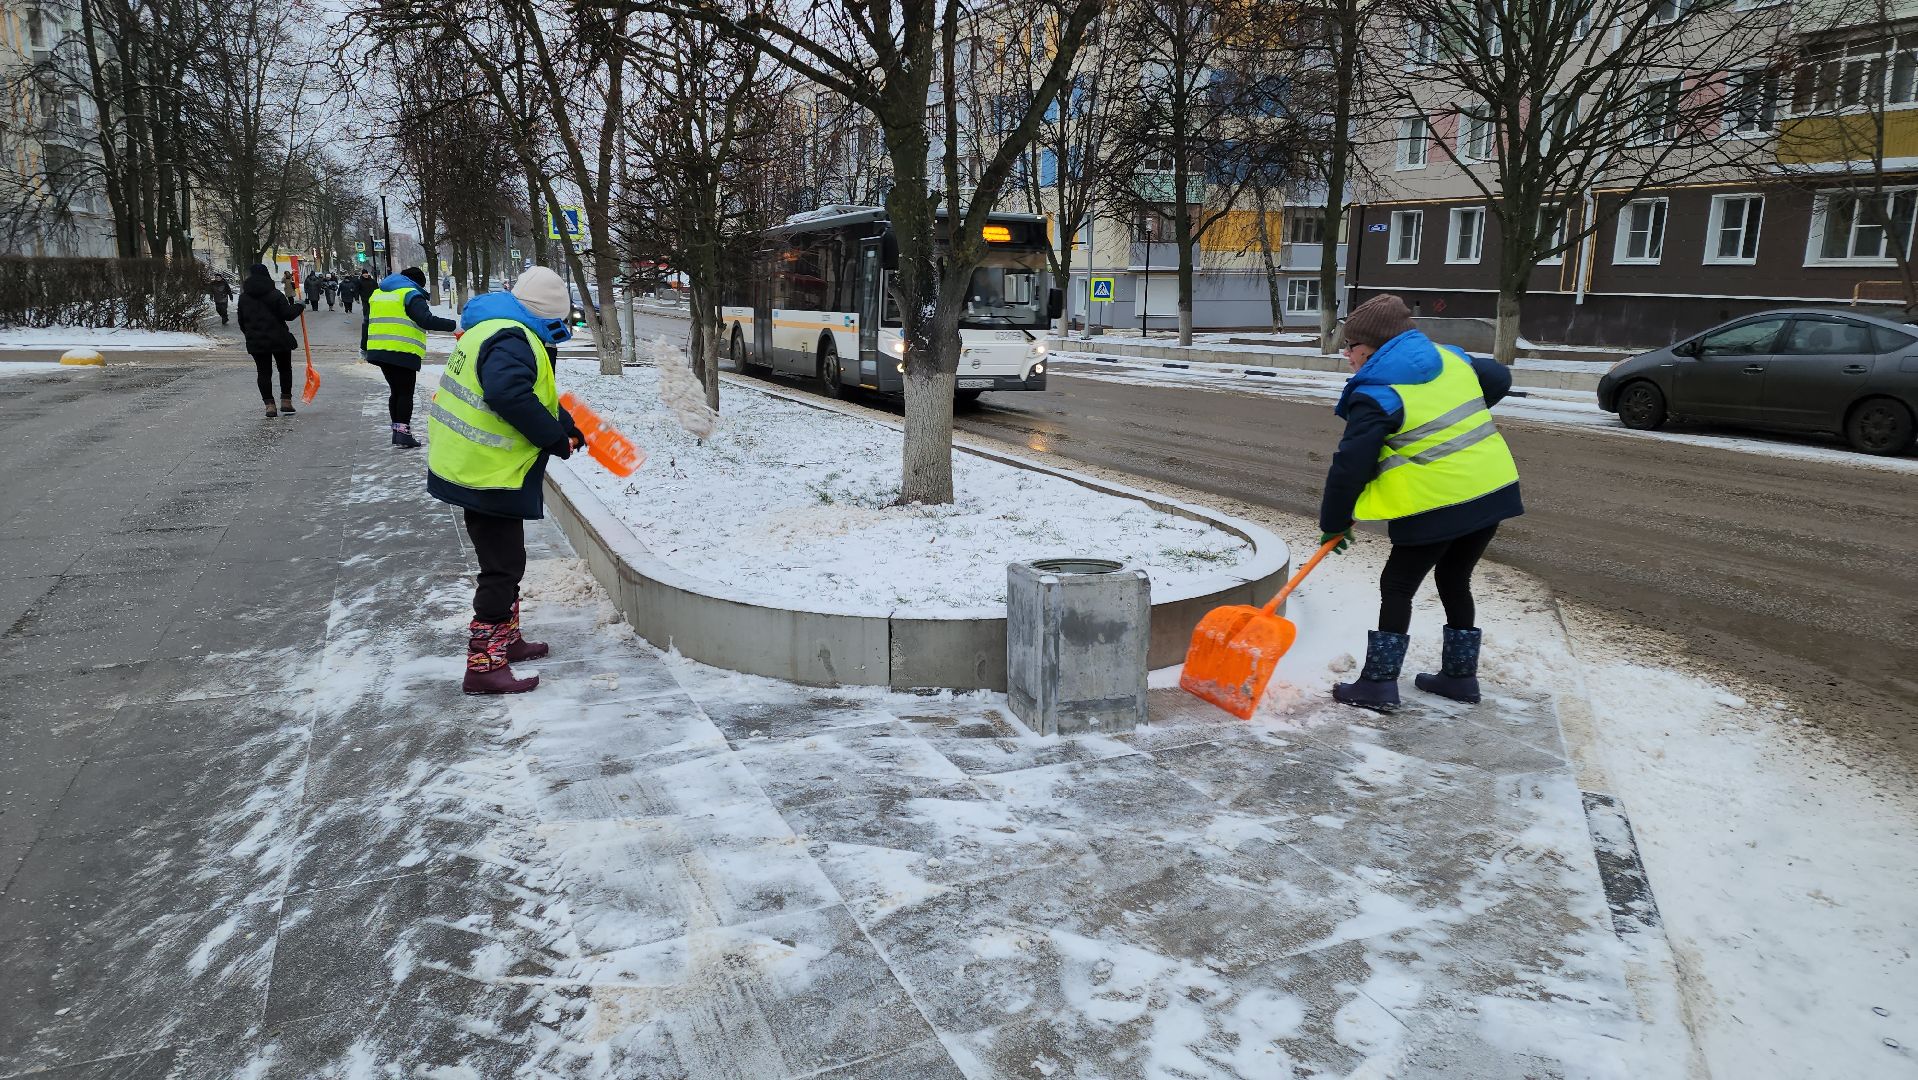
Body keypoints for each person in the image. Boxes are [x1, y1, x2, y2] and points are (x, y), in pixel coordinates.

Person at [1317, 293, 1523, 712]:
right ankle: (1460, 678)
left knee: (1396, 586)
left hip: (1437, 501)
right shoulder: (1451, 359)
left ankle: (1378, 684)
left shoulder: (1378, 393)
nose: (1347, 357)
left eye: (1349, 349)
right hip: (1491, 488)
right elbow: (1498, 377)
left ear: (1368, 349)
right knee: (1454, 578)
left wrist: (1335, 522)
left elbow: (1349, 467)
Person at [425, 266, 583, 694]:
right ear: (550, 314)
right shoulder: (513, 338)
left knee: (507, 561)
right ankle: (483, 665)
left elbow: (531, 391)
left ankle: (507, 642)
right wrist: (554, 438)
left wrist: (565, 424)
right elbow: (507, 393)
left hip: (473, 464)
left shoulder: (496, 328)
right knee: (502, 568)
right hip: (484, 471)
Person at [362, 266, 456, 447]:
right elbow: (425, 320)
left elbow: (367, 321)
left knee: (396, 392)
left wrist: (363, 347)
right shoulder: (410, 294)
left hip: (379, 350)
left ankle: (398, 433)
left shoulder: (379, 294)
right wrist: (454, 325)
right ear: (419, 282)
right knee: (405, 392)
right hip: (402, 350)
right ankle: (403, 434)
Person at [236, 263, 304, 417]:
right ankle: (286, 402)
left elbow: (241, 321)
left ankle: (270, 406)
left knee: (263, 372)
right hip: (279, 339)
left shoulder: (243, 298)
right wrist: (299, 307)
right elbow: (288, 314)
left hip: (257, 341)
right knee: (285, 369)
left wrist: (251, 334)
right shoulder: (275, 294)